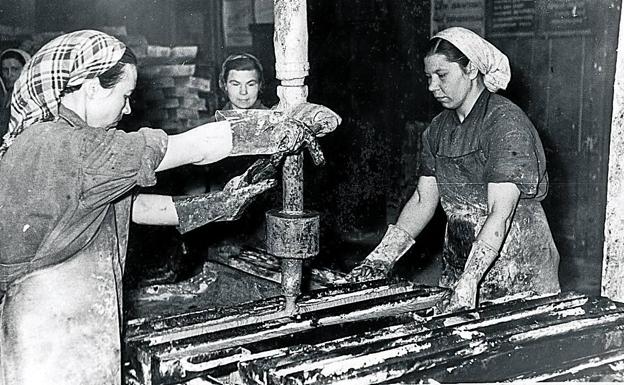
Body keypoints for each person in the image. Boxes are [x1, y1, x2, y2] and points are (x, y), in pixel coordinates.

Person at [0, 30, 325, 384]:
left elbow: (129, 207)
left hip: (65, 326)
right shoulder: (68, 146)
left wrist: (216, 205)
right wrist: (281, 127)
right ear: (92, 86)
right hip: (54, 341)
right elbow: (194, 146)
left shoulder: (52, 140)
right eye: (124, 95)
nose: (127, 108)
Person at [346, 27, 560, 312]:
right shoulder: (437, 130)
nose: (432, 86)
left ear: (471, 69)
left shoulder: (505, 123)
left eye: (442, 75)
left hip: (518, 268)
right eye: (428, 77)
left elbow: (501, 212)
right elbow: (423, 200)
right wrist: (380, 258)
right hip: (461, 264)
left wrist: (470, 280)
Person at [0, 48, 30, 140]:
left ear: (25, 69)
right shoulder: (6, 98)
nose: (10, 74)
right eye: (5, 69)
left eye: (15, 69)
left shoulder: (29, 97)